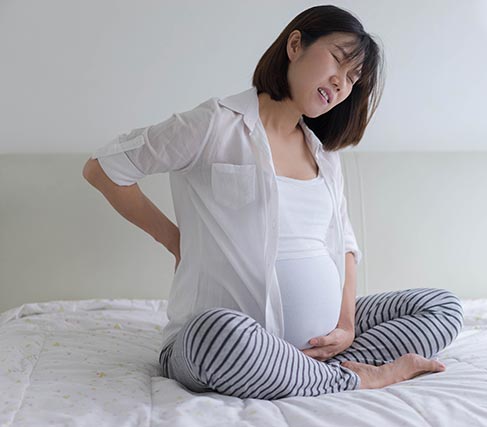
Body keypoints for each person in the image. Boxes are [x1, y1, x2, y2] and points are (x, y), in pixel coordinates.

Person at [82, 4, 464, 400]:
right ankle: (358, 378)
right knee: (215, 334)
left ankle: (306, 370)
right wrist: (176, 241)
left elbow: (345, 245)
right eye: (337, 59)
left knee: (442, 307)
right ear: (296, 44)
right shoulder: (216, 124)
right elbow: (104, 169)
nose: (341, 83)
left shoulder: (324, 154)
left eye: (352, 79)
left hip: (324, 342)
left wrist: (346, 325)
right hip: (225, 338)